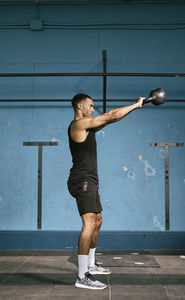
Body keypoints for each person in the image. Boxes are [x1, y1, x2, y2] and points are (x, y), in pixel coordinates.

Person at [67, 93, 144, 290]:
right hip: (82, 180)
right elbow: (110, 115)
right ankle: (82, 276)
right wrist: (136, 105)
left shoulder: (88, 126)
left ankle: (91, 264)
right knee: (89, 222)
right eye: (90, 106)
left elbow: (111, 120)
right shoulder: (78, 125)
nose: (93, 109)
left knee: (97, 220)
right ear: (79, 106)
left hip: (90, 180)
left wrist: (131, 110)